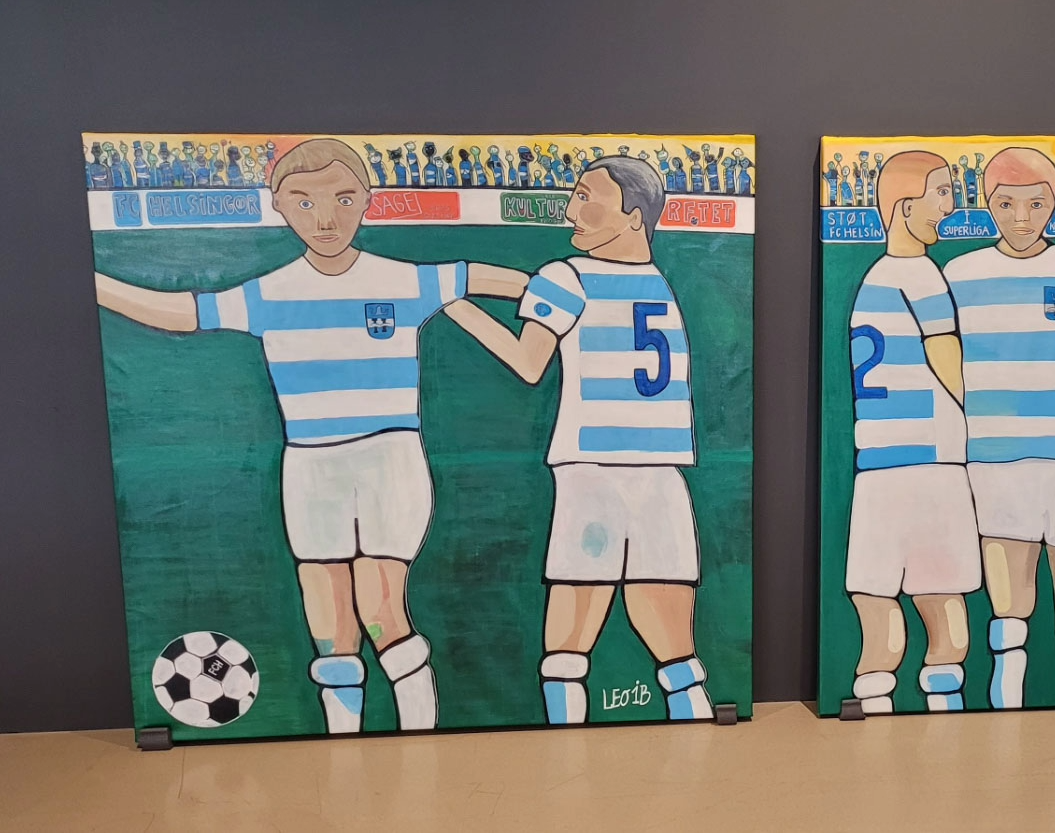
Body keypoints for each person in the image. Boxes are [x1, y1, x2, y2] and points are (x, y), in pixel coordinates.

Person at [93, 139, 528, 734]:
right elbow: (181, 313)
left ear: (367, 201)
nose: (325, 218)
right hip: (310, 467)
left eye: (343, 199)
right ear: (279, 206)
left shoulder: (406, 280)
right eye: (304, 202)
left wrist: (564, 295)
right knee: (328, 621)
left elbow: (491, 279)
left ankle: (421, 733)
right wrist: (92, 280)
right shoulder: (270, 292)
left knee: (382, 608)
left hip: (388, 459)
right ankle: (340, 741)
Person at [445, 157, 714, 723]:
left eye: (588, 196)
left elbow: (527, 363)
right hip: (661, 475)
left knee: (568, 648)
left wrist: (456, 306)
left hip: (592, 474)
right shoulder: (660, 282)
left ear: (634, 216)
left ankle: (565, 742)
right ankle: (692, 732)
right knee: (676, 648)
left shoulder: (567, 276)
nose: (572, 210)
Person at [942, 148, 1055, 709]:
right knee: (1009, 599)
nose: (1021, 218)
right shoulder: (957, 275)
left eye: (1036, 204)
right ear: (987, 204)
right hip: (994, 457)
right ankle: (1006, 699)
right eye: (1006, 204)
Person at [843, 151, 977, 714]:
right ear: (904, 205)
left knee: (878, 612)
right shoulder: (922, 276)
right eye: (941, 192)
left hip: (876, 465)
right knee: (945, 616)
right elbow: (950, 365)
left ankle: (875, 711)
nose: (951, 206)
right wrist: (984, 425)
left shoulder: (873, 280)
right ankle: (944, 723)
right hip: (932, 464)